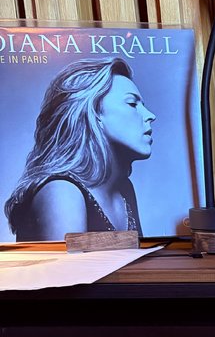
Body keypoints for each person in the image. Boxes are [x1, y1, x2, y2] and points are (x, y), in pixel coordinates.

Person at [5, 56, 156, 241]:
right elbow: (67, 263)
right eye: (132, 104)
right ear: (94, 113)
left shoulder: (124, 190)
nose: (150, 115)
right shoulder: (62, 192)